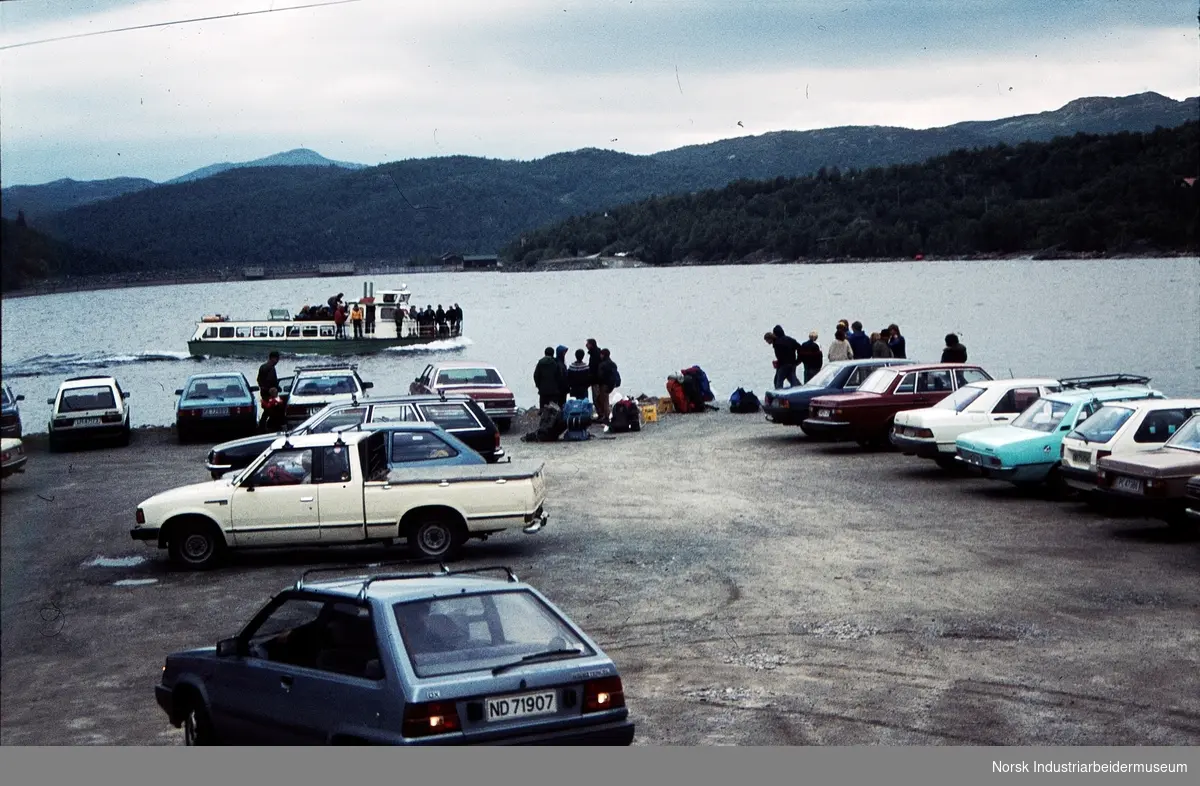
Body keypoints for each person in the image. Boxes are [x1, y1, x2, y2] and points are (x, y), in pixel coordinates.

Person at [764, 325, 801, 389]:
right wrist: (798, 360)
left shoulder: (777, 343)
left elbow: (781, 356)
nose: (767, 342)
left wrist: (778, 363)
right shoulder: (790, 340)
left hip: (784, 365)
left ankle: (778, 396)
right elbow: (800, 348)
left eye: (767, 341)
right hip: (792, 364)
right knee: (793, 380)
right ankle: (801, 390)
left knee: (778, 381)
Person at [596, 348, 620, 424]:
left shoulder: (602, 364)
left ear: (603, 355)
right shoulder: (613, 364)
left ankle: (607, 416)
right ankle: (606, 415)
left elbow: (600, 376)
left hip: (604, 384)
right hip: (611, 384)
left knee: (604, 401)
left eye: (601, 354)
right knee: (602, 399)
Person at [586, 338, 604, 413]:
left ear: (591, 345)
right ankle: (601, 413)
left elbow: (594, 367)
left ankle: (600, 413)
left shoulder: (595, 354)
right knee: (598, 397)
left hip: (596, 380)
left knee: (596, 398)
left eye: (587, 344)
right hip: (597, 380)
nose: (586, 345)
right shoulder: (596, 353)